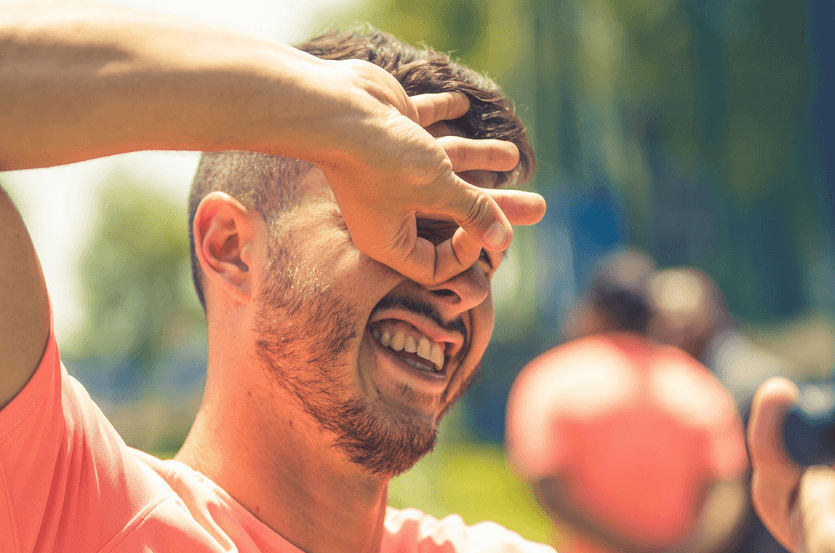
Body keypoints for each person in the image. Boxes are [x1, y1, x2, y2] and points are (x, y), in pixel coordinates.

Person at [0, 2, 551, 552]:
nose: (467, 290)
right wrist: (338, 113)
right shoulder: (67, 510)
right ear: (231, 247)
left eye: (485, 259)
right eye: (415, 228)